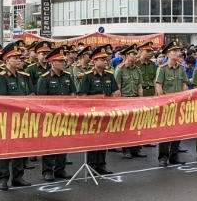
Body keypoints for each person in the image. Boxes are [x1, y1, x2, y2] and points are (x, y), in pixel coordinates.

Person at [0, 41, 31, 189]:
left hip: (22, 118)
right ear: (7, 59)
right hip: (7, 118)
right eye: (15, 58)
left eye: (19, 58)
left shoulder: (23, 76)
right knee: (6, 149)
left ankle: (18, 176)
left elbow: (27, 95)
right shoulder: (1, 77)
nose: (19, 60)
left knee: (20, 149)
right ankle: (2, 178)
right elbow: (0, 100)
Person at [77, 45, 120, 175]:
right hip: (93, 112)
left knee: (104, 138)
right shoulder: (88, 76)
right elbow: (83, 95)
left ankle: (102, 164)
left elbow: (115, 92)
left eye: (106, 59)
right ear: (94, 61)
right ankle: (91, 164)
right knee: (93, 139)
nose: (105, 61)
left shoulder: (109, 75)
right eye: (102, 59)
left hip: (106, 111)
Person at [35, 46, 75, 181]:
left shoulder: (68, 76)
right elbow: (41, 100)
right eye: (61, 61)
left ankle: (60, 169)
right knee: (49, 145)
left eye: (64, 61)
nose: (64, 63)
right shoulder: (44, 78)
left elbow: (73, 94)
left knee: (63, 144)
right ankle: (47, 170)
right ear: (52, 62)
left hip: (65, 114)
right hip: (50, 116)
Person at [155, 40, 189, 167]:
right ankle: (163, 157)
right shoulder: (162, 69)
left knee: (177, 131)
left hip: (179, 104)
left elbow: (184, 83)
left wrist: (185, 98)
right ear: (168, 54)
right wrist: (163, 101)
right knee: (165, 132)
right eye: (174, 51)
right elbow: (159, 86)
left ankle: (174, 156)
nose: (177, 53)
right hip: (167, 105)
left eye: (178, 51)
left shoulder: (181, 68)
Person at [114, 44, 147, 160]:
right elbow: (117, 88)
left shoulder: (137, 69)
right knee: (126, 126)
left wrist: (141, 100)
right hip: (125, 100)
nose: (136, 55)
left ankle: (136, 149)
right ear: (127, 55)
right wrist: (119, 103)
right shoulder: (120, 69)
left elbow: (139, 87)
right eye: (133, 54)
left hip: (135, 99)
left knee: (136, 125)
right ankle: (126, 149)